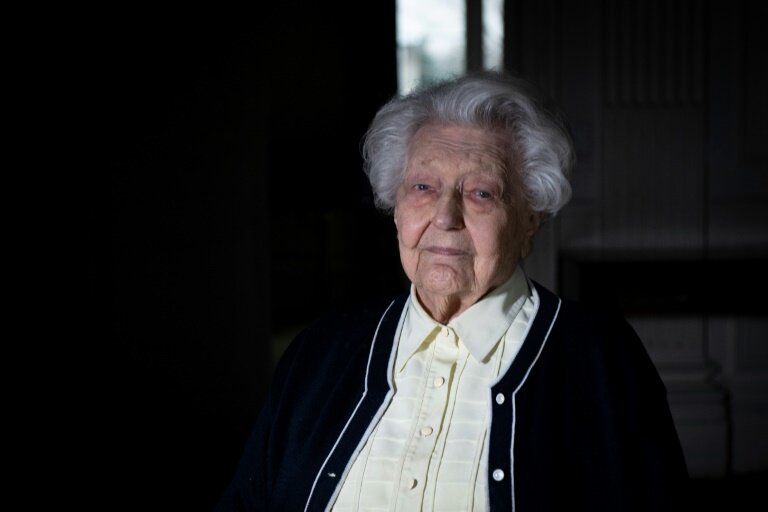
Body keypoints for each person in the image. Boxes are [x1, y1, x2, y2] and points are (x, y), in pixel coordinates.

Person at [215, 70, 688, 511]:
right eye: (423, 186)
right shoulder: (319, 353)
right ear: (396, 208)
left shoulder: (602, 361)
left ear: (529, 220)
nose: (445, 217)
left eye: (481, 192)